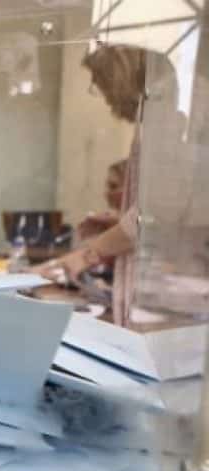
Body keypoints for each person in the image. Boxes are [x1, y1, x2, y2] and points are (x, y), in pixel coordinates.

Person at [36, 45, 184, 326]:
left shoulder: (166, 122)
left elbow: (153, 216)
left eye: (100, 83)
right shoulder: (154, 119)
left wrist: (88, 254)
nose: (101, 94)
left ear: (119, 80)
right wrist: (118, 223)